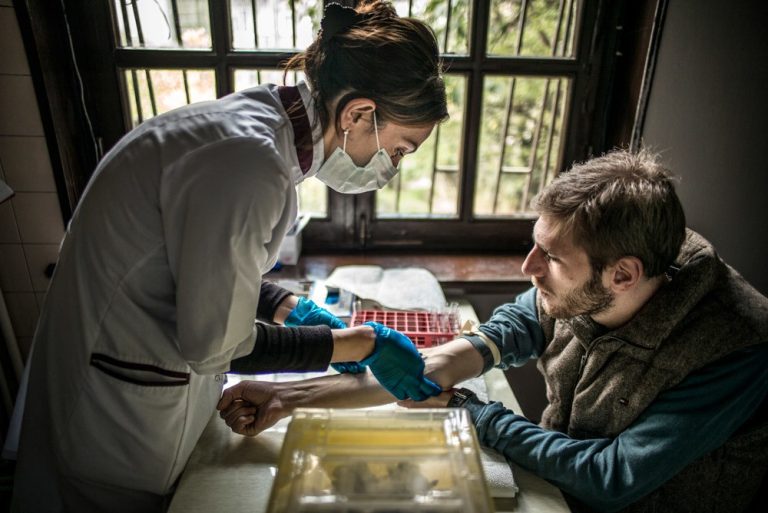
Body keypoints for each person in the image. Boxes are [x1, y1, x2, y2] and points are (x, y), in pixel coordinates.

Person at [11, 2, 446, 511]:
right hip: (118, 422)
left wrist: (288, 307)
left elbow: (199, 263)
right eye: (399, 149)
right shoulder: (249, 164)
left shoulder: (259, 127)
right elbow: (219, 345)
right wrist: (359, 344)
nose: (390, 167)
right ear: (357, 114)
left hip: (127, 375)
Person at [218, 149, 768, 513]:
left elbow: (612, 476)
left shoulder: (736, 346)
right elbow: (432, 371)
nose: (527, 268)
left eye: (549, 257)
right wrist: (287, 397)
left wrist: (477, 414)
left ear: (623, 275)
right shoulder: (590, 278)